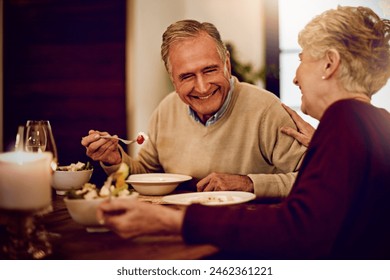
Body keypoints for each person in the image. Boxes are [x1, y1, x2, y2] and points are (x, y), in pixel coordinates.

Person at [96, 6, 390, 259]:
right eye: (186, 76)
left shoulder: (343, 120)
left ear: (329, 63)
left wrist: (174, 220)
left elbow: (296, 228)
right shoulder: (375, 123)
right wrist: (323, 147)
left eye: (302, 58)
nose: (295, 76)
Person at [81, 20, 306, 198]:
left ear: (227, 64)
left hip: (249, 234)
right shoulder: (166, 108)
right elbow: (148, 175)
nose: (202, 87)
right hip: (179, 230)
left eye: (209, 70)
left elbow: (314, 180)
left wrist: (248, 183)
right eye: (187, 76)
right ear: (173, 79)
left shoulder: (267, 109)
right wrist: (115, 159)